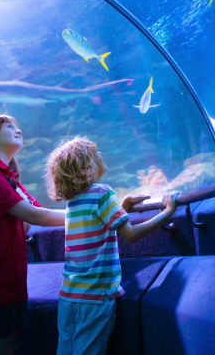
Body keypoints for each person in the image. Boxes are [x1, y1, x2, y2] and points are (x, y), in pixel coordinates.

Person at [44, 136, 177, 355]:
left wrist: (122, 206)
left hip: (69, 295)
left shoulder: (74, 201)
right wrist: (167, 213)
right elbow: (131, 234)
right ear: (86, 164)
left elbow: (96, 223)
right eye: (95, 152)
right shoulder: (103, 192)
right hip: (95, 296)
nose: (101, 154)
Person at [0, 115, 65, 355]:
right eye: (10, 127)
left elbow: (36, 214)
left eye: (18, 127)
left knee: (10, 349)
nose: (18, 130)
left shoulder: (9, 180)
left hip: (11, 283)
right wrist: (92, 214)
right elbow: (36, 217)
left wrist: (92, 206)